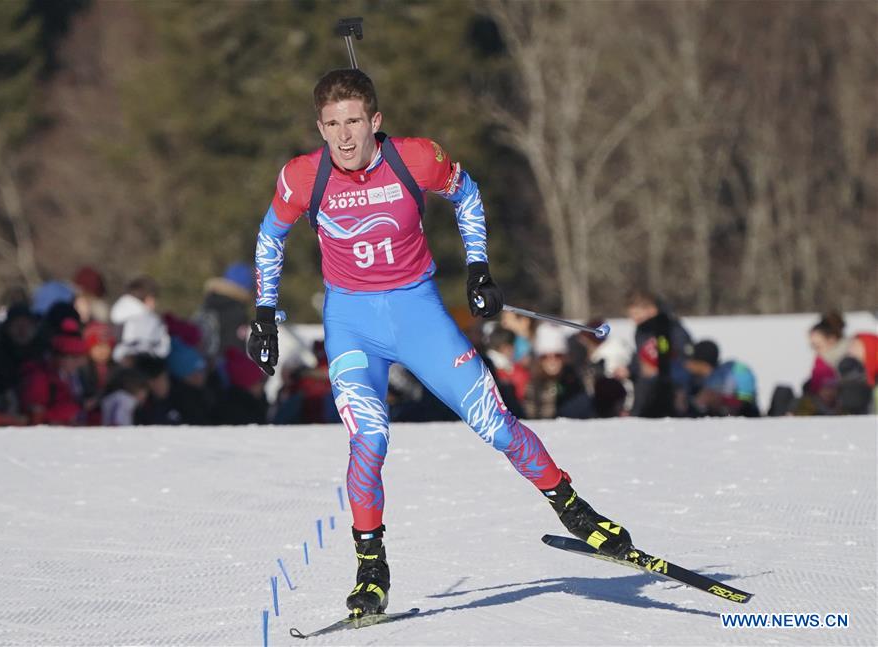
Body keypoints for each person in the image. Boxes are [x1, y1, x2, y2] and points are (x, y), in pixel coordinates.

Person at [246, 68, 633, 617]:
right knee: (369, 441)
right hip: (352, 323)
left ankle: (572, 508)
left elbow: (468, 195)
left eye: (354, 120)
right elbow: (270, 236)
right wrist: (264, 313)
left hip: (419, 313)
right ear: (320, 127)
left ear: (375, 121)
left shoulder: (416, 158)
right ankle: (371, 568)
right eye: (332, 124)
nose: (345, 136)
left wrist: (478, 269)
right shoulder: (302, 176)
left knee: (494, 423)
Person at [684, 340, 759, 417]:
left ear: (703, 364)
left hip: (742, 415)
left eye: (693, 361)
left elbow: (744, 402)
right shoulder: (723, 372)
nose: (688, 365)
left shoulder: (720, 376)